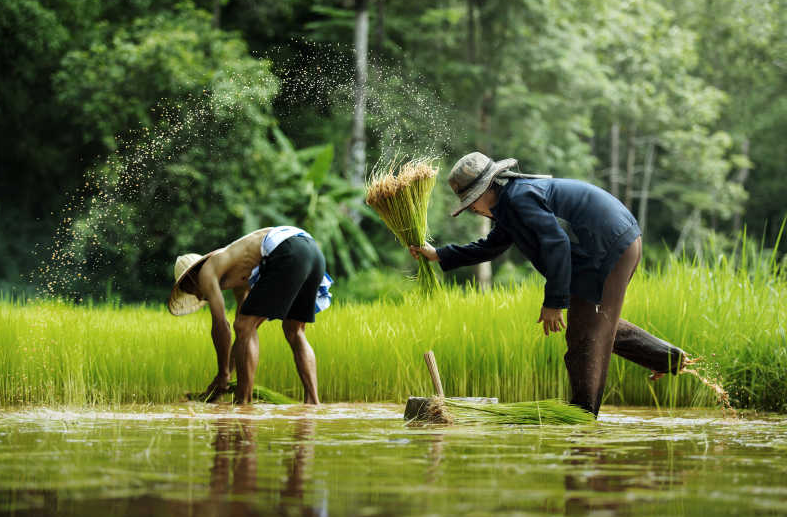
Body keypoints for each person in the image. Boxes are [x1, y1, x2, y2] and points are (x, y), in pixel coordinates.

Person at [410, 152, 685, 417]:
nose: (473, 209)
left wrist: (554, 302)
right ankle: (666, 358)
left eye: (471, 203)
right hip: (605, 246)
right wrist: (440, 254)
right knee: (590, 323)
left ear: (486, 189)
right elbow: (489, 248)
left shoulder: (519, 199)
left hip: (609, 245)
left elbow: (557, 244)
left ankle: (583, 416)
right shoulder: (508, 207)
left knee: (585, 339)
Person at [168, 226, 331, 404]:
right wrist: (227, 374)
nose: (198, 297)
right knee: (294, 330)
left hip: (289, 249)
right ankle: (313, 402)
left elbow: (222, 326)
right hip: (312, 251)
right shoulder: (238, 271)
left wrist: (222, 374)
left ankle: (243, 402)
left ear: (192, 276)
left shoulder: (208, 271)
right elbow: (242, 337)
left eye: (189, 289)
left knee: (244, 325)